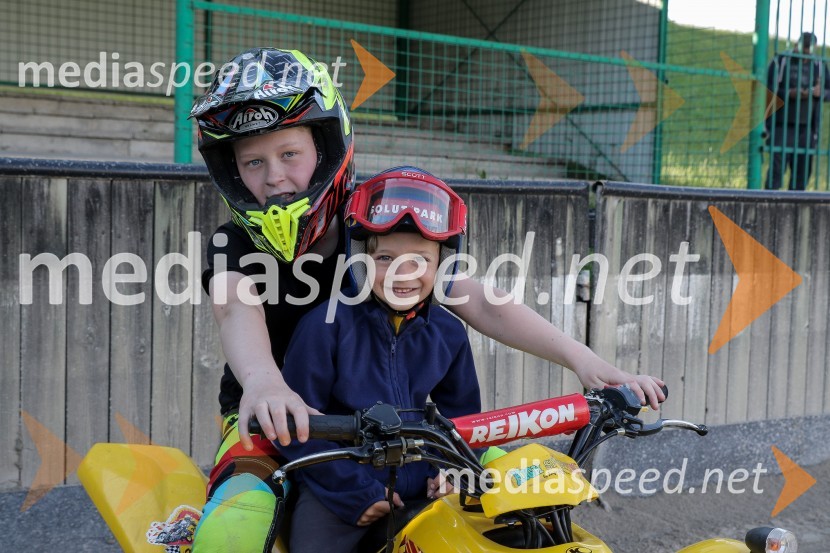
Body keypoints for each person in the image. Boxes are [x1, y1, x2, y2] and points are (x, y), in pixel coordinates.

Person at [190, 47, 665, 551]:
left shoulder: (372, 223)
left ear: (326, 147)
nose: (274, 176)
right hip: (274, 419)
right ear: (232, 169)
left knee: (525, 483)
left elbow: (480, 301)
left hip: (398, 422)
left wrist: (582, 358)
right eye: (253, 162)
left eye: (290, 154)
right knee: (235, 524)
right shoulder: (233, 242)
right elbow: (233, 305)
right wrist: (263, 383)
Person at [280, 167, 480, 553]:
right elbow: (293, 426)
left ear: (443, 262)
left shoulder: (449, 333)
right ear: (360, 259)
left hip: (423, 487)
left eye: (420, 260)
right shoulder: (325, 325)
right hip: (336, 492)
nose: (402, 274)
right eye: (385, 257)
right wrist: (355, 493)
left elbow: (464, 422)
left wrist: (449, 472)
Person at [766, 31, 830, 191]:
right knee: (776, 173)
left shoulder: (820, 65)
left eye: (809, 51)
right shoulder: (781, 61)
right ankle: (769, 205)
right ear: (796, 45)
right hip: (781, 125)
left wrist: (819, 92)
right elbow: (766, 90)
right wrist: (789, 93)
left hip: (807, 128)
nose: (805, 56)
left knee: (802, 174)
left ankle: (795, 208)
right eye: (803, 50)